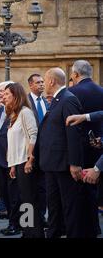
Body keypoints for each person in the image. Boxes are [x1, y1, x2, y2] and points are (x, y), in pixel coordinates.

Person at [37, 68, 93, 238]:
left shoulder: (68, 100)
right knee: (54, 206)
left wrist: (75, 163)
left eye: (45, 81)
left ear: (52, 81)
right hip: (53, 164)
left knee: (70, 208)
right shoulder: (57, 100)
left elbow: (73, 134)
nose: (44, 84)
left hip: (64, 165)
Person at [4, 83, 44, 238]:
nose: (4, 97)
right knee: (23, 199)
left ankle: (34, 233)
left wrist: (30, 159)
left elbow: (33, 135)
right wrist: (12, 165)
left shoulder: (26, 112)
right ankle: (28, 232)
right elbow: (14, 143)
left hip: (26, 163)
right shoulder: (14, 115)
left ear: (16, 95)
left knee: (29, 200)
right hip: (18, 164)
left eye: (7, 94)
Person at [68, 60, 103, 237]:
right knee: (93, 190)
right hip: (99, 147)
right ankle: (94, 227)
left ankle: (82, 229)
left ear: (75, 75)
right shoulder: (101, 91)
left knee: (78, 192)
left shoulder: (71, 92)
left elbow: (69, 125)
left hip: (79, 150)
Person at [0, 81, 22, 236]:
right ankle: (13, 221)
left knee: (16, 196)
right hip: (0, 161)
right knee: (4, 194)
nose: (0, 94)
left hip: (14, 161)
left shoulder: (18, 112)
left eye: (3, 91)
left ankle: (18, 224)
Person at [26, 73, 48, 225]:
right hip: (29, 152)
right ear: (31, 85)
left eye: (42, 82)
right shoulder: (25, 103)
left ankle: (41, 218)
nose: (42, 85)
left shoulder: (47, 102)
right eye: (38, 82)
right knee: (27, 190)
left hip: (46, 151)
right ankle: (28, 223)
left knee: (43, 187)